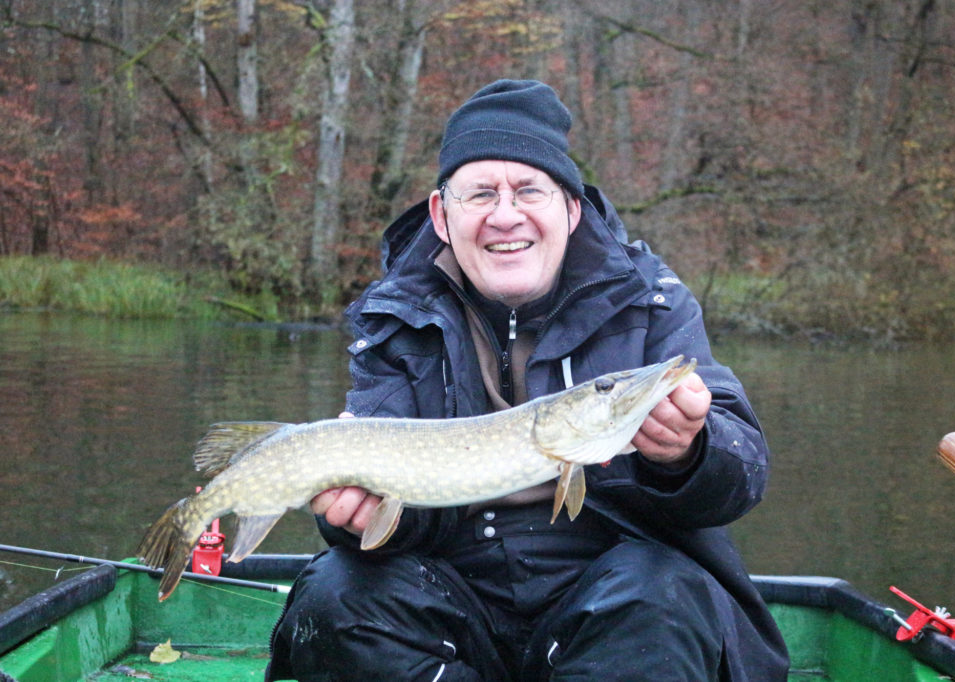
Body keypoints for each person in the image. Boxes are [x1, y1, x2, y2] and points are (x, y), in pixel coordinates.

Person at [267, 79, 789, 681]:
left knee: (662, 592)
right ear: (441, 215)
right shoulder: (394, 320)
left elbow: (741, 475)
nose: (505, 215)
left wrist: (689, 453)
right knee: (337, 593)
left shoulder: (650, 301)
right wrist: (355, 517)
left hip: (609, 603)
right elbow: (392, 531)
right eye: (480, 193)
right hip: (455, 607)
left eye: (529, 190)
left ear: (571, 208)